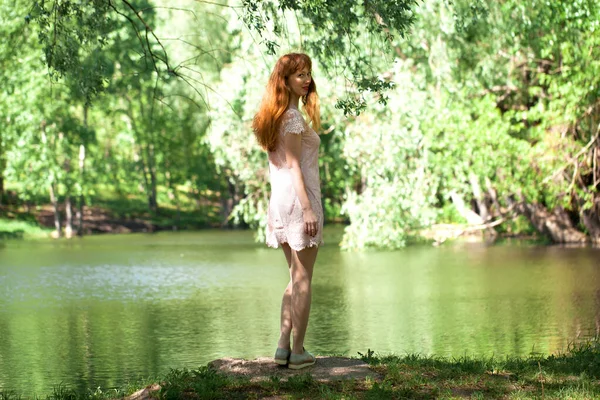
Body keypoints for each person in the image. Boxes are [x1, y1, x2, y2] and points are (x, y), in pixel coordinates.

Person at [252, 53, 323, 370]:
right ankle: (298, 352)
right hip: (299, 201)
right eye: (299, 75)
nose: (306, 79)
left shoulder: (275, 116)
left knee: (294, 277)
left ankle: (282, 348)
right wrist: (308, 208)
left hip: (280, 202)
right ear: (285, 81)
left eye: (308, 73)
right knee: (303, 278)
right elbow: (294, 166)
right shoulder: (292, 118)